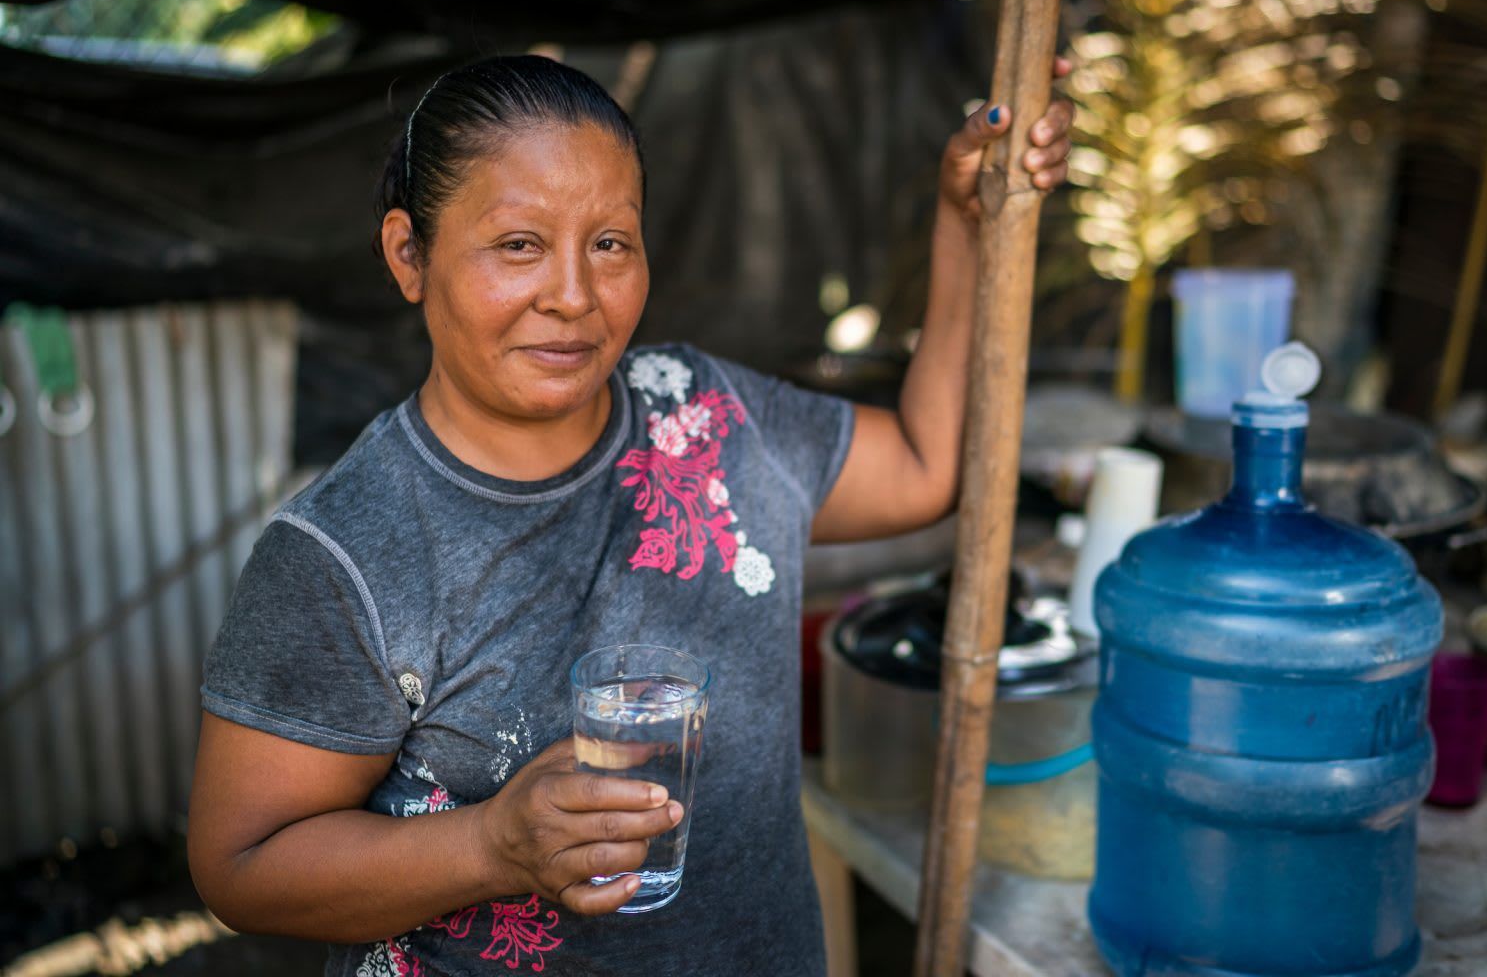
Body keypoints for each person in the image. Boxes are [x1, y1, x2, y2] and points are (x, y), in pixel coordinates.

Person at [187, 53, 1073, 976]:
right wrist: (491, 845)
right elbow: (242, 869)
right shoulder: (346, 551)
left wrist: (967, 222)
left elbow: (934, 465)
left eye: (610, 242)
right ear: (410, 254)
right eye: (519, 244)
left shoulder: (710, 419)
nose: (572, 295)